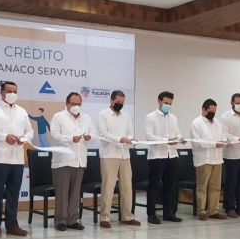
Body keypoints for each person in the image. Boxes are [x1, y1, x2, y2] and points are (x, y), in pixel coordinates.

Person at [0, 81, 34, 238]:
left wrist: (24, 138)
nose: (12, 94)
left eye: (15, 91)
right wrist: (4, 137)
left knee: (13, 194)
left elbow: (30, 131)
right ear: (1, 92)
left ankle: (12, 225)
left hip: (17, 159)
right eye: (9, 91)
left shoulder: (22, 111)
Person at [49, 92, 94, 231]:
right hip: (63, 160)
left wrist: (89, 137)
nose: (76, 106)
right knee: (62, 193)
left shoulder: (86, 118)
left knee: (75, 193)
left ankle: (72, 220)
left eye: (79, 104)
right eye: (73, 104)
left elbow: (93, 134)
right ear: (67, 103)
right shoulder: (58, 117)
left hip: (79, 160)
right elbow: (54, 135)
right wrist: (70, 139)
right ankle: (60, 220)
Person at [97, 90, 140, 228]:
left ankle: (127, 217)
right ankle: (105, 218)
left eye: (122, 102)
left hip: (124, 154)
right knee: (108, 187)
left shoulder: (126, 115)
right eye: (118, 102)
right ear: (111, 100)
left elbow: (130, 132)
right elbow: (103, 134)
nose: (120, 104)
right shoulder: (103, 115)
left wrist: (131, 139)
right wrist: (119, 139)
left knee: (127, 186)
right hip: (109, 154)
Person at [144, 91, 184, 224]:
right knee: (154, 185)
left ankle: (168, 213)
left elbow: (177, 133)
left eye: (170, 104)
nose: (168, 105)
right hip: (157, 156)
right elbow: (149, 136)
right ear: (159, 101)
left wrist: (180, 139)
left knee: (170, 185)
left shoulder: (173, 117)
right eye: (166, 103)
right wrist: (166, 140)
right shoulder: (150, 117)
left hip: (172, 155)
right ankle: (151, 214)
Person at [190, 99, 228, 221]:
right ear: (204, 109)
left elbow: (223, 136)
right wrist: (214, 144)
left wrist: (223, 141)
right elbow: (198, 142)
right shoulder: (196, 123)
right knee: (202, 187)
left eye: (214, 111)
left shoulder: (217, 122)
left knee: (215, 187)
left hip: (217, 159)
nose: (213, 114)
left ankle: (213, 211)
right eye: (211, 111)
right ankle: (201, 211)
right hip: (203, 160)